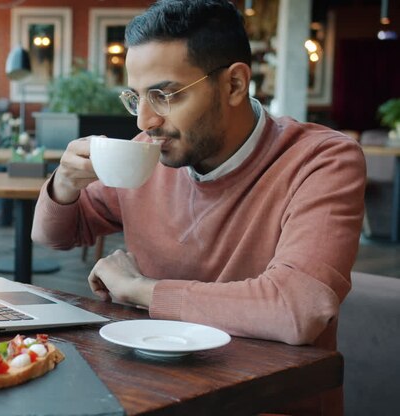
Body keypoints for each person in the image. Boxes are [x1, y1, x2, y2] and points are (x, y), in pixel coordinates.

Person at [31, 1, 365, 414]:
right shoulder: (148, 155)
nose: (144, 122)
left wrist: (139, 290)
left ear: (234, 85)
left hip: (265, 401)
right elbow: (56, 236)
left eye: (164, 95)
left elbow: (296, 308)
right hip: (147, 392)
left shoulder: (322, 161)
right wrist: (63, 184)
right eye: (136, 98)